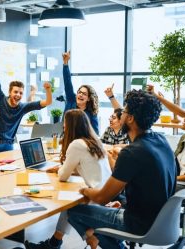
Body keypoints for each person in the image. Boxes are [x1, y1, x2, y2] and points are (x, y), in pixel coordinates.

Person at [66, 89, 176, 249]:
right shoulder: (161, 140)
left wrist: (84, 191)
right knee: (103, 213)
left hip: (140, 223)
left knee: (75, 211)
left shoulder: (132, 153)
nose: (120, 115)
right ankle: (99, 237)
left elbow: (102, 198)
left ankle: (108, 243)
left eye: (123, 112)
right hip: (162, 220)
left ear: (130, 118)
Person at [24, 109, 112, 249]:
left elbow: (63, 176)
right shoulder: (95, 141)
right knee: (71, 201)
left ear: (72, 125)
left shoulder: (77, 144)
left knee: (70, 204)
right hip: (106, 194)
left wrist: (61, 169)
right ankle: (55, 243)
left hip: (95, 198)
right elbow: (89, 168)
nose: (63, 126)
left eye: (65, 123)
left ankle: (88, 237)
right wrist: (66, 168)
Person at [0, 48, 52, 154]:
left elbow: (47, 102)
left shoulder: (23, 107)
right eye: (15, 92)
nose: (18, 95)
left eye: (20, 93)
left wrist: (48, 90)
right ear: (10, 92)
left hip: (8, 145)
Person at [148, 85, 185, 194]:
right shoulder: (184, 138)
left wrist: (171, 179)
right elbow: (174, 164)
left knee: (155, 188)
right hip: (180, 180)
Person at [62, 51, 99, 135]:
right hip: (66, 138)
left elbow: (96, 133)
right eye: (79, 92)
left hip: (83, 142)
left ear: (89, 98)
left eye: (84, 94)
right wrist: (65, 63)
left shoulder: (91, 114)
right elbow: (67, 82)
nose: (80, 95)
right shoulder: (71, 100)